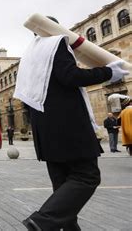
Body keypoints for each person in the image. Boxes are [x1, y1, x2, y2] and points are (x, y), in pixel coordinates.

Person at [13, 16, 129, 230]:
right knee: (87, 177)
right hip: (67, 128)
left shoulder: (29, 54)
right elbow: (70, 76)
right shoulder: (55, 43)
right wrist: (108, 72)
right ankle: (41, 222)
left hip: (45, 131)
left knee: (63, 188)